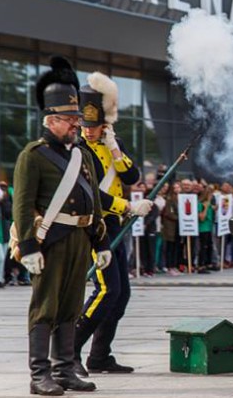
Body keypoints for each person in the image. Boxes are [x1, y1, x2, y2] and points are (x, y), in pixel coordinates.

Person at [13, 57, 108, 395]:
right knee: (45, 308)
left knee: (70, 306)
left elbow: (94, 203)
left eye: (76, 118)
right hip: (50, 241)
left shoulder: (81, 155)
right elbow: (22, 206)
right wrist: (28, 248)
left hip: (79, 240)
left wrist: (102, 244)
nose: (76, 125)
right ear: (51, 120)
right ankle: (40, 374)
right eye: (70, 119)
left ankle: (64, 370)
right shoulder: (33, 155)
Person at [73, 73, 151, 376]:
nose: (89, 131)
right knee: (107, 290)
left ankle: (100, 356)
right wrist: (129, 206)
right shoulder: (78, 151)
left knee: (122, 294)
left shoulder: (110, 144)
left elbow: (132, 177)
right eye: (86, 126)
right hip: (95, 227)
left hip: (115, 226)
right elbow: (94, 195)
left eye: (95, 126)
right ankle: (69, 351)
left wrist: (115, 148)